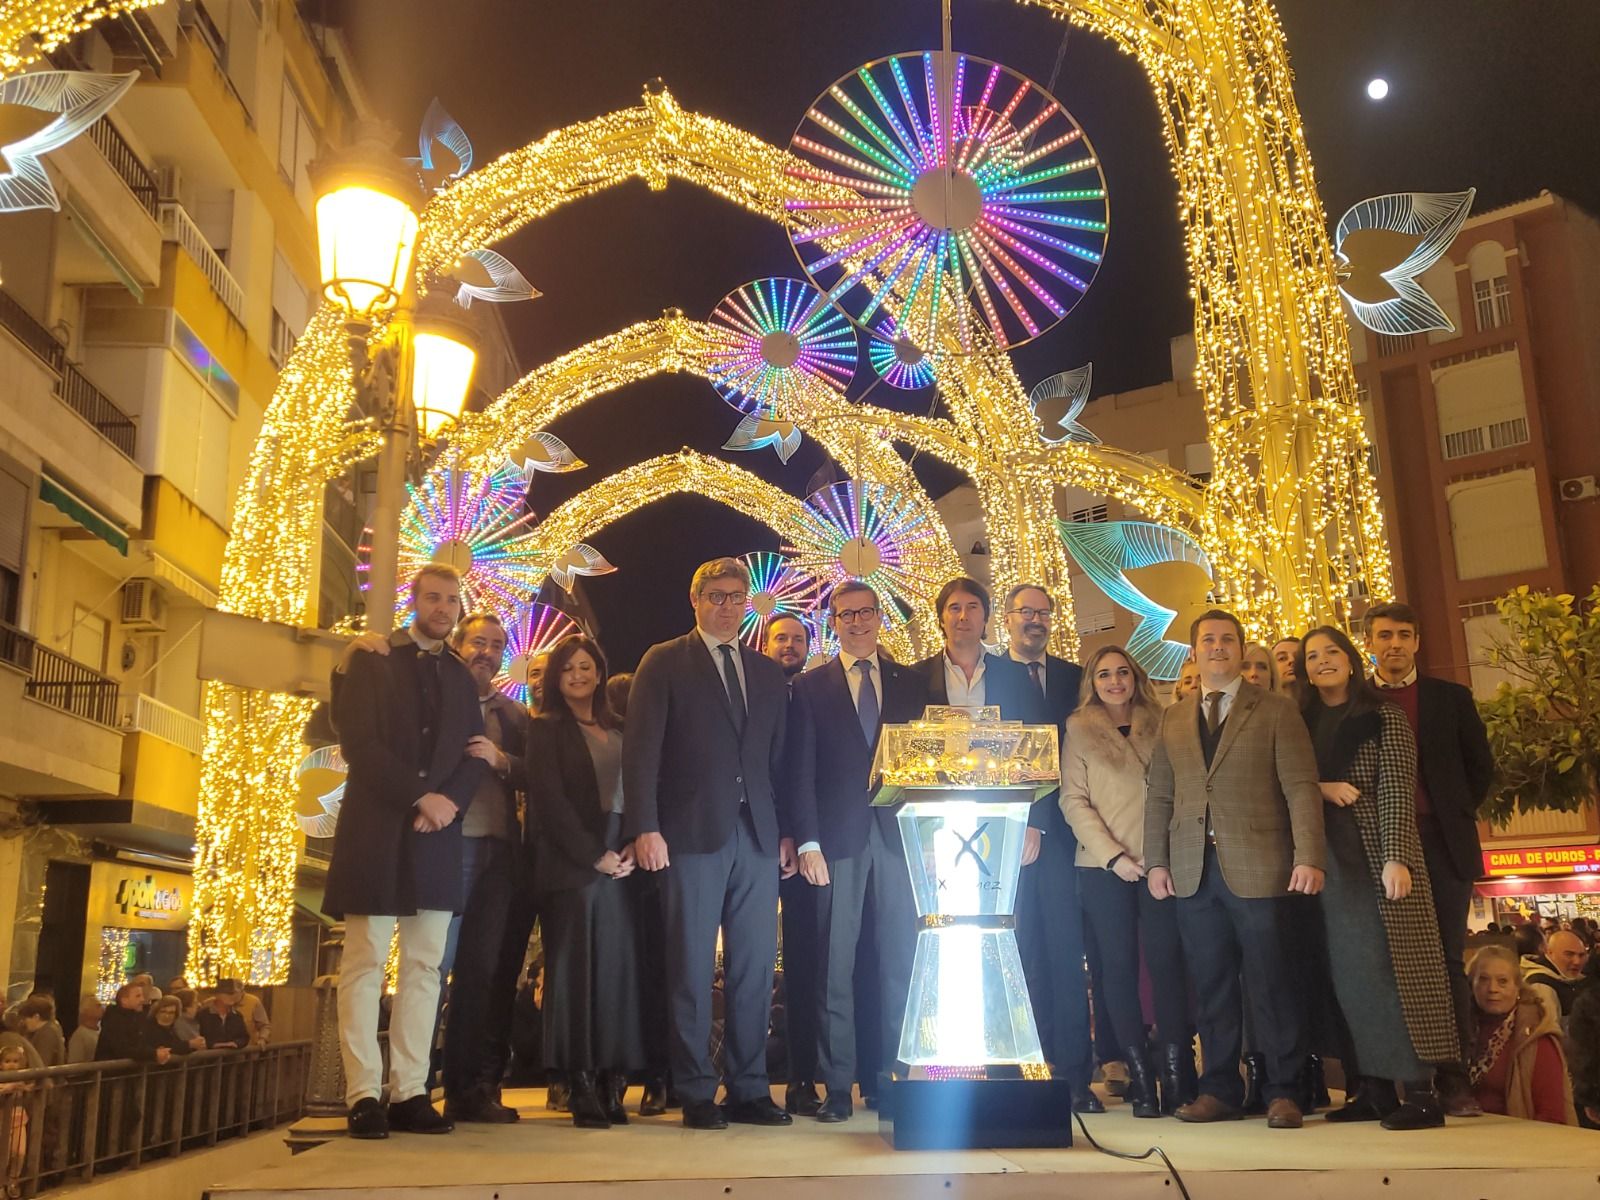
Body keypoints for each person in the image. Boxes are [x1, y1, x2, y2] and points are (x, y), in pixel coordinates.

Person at [622, 558, 792, 1131]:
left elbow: (778, 763)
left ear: (749, 602)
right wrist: (645, 826)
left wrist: (788, 831)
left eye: (736, 596)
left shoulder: (768, 673)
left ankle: (749, 1087)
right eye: (715, 596)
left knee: (753, 968)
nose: (727, 605)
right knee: (691, 966)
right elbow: (641, 751)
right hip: (690, 836)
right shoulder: (664, 661)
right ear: (694, 601)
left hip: (759, 837)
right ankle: (696, 1090)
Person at [324, 564, 488, 1139]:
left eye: (450, 600)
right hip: (375, 830)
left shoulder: (463, 679)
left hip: (436, 838)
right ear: (413, 600)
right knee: (364, 961)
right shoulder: (371, 659)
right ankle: (363, 1093)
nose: (442, 608)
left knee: (425, 968)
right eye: (433, 598)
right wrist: (421, 795)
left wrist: (448, 803)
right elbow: (357, 743)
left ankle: (411, 1091)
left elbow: (476, 754)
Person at [1144, 609, 1324, 1129]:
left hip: (1262, 868)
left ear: (1242, 651)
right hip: (1193, 871)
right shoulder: (1174, 717)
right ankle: (1219, 1088)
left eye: (1227, 640)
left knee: (1271, 983)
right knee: (1212, 984)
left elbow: (1300, 786)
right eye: (1208, 640)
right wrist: (1157, 860)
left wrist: (1309, 855)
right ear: (1194, 652)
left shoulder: (1274, 710)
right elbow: (1160, 794)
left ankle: (1283, 1090)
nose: (1217, 647)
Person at [1297, 626, 1459, 1130]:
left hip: (1376, 853)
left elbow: (1396, 790)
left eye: (1331, 652)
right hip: (1326, 857)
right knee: (1349, 978)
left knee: (1398, 972)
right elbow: (1285, 781)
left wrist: (1399, 857)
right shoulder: (1300, 720)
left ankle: (1421, 1092)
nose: (1322, 661)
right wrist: (1318, 787)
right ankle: (1372, 1088)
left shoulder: (1382, 715)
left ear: (1350, 659)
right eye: (1311, 656)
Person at [785, 581, 927, 1123]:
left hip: (899, 840)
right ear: (833, 622)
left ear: (879, 618)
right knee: (834, 967)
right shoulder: (811, 687)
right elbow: (799, 772)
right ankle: (838, 1086)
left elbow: (928, 765)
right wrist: (809, 842)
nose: (858, 622)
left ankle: (892, 1079)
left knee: (899, 961)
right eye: (846, 614)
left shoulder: (911, 684)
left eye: (866, 612)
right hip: (836, 843)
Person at [1365, 601, 1495, 1115]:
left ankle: (1454, 1077)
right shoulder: (1358, 701)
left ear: (1417, 642)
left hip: (1442, 842)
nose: (1394, 644)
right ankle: (1399, 1074)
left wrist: (1450, 809)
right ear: (1369, 643)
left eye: (1403, 634)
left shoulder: (1451, 698)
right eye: (1384, 635)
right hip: (1377, 847)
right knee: (1387, 962)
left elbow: (1479, 766)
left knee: (1445, 960)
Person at [1061, 644, 1192, 1118]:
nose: (1114, 682)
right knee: (1114, 970)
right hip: (1103, 866)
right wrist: (1115, 857)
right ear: (1092, 684)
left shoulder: (1167, 720)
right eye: (1103, 675)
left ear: (1135, 676)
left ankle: (1177, 1073)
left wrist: (1158, 857)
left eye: (1121, 673)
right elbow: (1073, 801)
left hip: (1162, 863)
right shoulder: (1078, 728)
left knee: (1166, 966)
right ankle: (1139, 1078)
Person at [527, 634, 645, 1129]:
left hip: (623, 861)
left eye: (586, 667)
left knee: (618, 975)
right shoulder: (546, 729)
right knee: (575, 976)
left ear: (600, 671)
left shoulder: (622, 727)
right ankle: (577, 1080)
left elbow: (641, 788)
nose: (578, 675)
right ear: (556, 677)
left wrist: (635, 843)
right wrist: (592, 855)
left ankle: (613, 1080)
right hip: (572, 864)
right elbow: (547, 801)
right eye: (568, 668)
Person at [999, 583, 1097, 1114]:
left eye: (1043, 612)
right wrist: (1029, 818)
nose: (1034, 620)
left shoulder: (1074, 678)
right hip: (1008, 836)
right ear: (1008, 621)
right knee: (1022, 953)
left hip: (1070, 837)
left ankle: (1076, 1075)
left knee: (1065, 953)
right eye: (1025, 612)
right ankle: (1029, 1067)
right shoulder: (989, 674)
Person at [763, 614, 821, 1118]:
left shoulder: (813, 693)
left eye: (798, 639)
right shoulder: (750, 691)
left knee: (805, 963)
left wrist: (799, 835)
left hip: (802, 848)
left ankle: (802, 1077)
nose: (789, 645)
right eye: (781, 638)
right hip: (751, 841)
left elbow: (806, 772)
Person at [1466, 945, 1575, 1124]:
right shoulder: (1458, 1032)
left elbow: (1551, 1114)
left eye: (1502, 981)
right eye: (1483, 979)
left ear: (1518, 987)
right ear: (1472, 985)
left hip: (1518, 1141)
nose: (1492, 988)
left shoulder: (1537, 1036)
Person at [95, 983, 168, 1065]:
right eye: (138, 996)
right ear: (124, 1000)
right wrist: (153, 1054)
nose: (142, 999)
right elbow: (123, 1049)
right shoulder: (114, 1020)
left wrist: (156, 1050)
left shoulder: (138, 1018)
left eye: (142, 996)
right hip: (113, 1073)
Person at [1524, 931, 1588, 1021]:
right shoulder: (1542, 986)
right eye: (1569, 954)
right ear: (1549, 953)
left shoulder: (1570, 979)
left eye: (1581, 955)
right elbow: (1549, 1030)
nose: (1577, 961)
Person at [198, 982, 249, 1049]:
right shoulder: (203, 1015)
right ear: (217, 995)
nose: (232, 996)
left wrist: (236, 1043)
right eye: (228, 994)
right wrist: (213, 1045)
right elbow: (197, 1037)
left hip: (233, 1058)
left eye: (233, 993)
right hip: (209, 1057)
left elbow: (244, 1037)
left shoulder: (237, 1016)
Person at [66, 997, 101, 1065]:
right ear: (87, 1011)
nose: (102, 1009)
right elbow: (74, 1065)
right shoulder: (80, 1036)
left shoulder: (101, 1031)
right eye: (97, 1006)